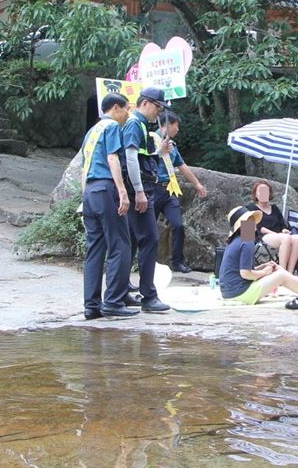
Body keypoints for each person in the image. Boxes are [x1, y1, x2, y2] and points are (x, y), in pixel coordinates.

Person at [80, 93, 136, 319]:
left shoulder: (92, 131)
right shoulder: (112, 126)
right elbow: (113, 158)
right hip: (106, 188)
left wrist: (84, 196)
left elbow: (84, 166)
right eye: (126, 109)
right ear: (116, 108)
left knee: (95, 248)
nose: (128, 114)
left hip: (90, 191)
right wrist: (122, 192)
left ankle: (91, 305)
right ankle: (113, 301)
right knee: (120, 245)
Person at [121, 86, 171, 313]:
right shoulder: (135, 124)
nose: (159, 112)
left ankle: (122, 291)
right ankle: (149, 296)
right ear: (145, 103)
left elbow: (142, 158)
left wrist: (160, 152)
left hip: (141, 189)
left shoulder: (141, 125)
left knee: (131, 241)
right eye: (158, 107)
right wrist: (139, 191)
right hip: (140, 191)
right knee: (149, 239)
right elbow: (130, 158)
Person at [218, 206, 298, 306]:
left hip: (229, 293)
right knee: (282, 275)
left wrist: (262, 267)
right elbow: (245, 274)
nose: (253, 222)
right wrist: (264, 272)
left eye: (252, 219)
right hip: (240, 293)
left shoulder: (237, 240)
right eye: (249, 220)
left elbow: (241, 270)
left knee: (279, 272)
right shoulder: (246, 242)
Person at [153, 111, 207, 273]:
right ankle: (146, 263)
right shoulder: (150, 139)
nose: (178, 129)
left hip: (169, 190)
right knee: (148, 229)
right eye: (176, 126)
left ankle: (177, 262)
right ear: (168, 125)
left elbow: (182, 165)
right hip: (152, 189)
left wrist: (197, 184)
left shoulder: (172, 145)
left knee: (178, 225)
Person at [247, 180, 298, 273]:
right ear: (255, 194)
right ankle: (281, 272)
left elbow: (283, 225)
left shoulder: (274, 208)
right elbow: (259, 228)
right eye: (261, 191)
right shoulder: (251, 208)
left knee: (297, 238)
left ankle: (290, 272)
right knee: (286, 238)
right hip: (262, 238)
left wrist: (284, 230)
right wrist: (278, 234)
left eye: (266, 191)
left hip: (279, 236)